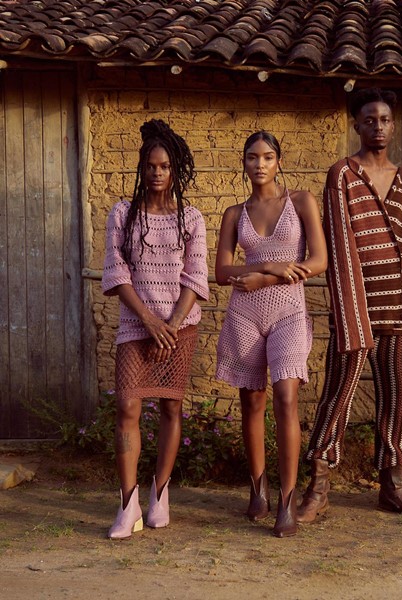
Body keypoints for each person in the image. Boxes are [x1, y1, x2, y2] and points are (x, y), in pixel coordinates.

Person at [297, 88, 402, 523]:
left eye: (385, 120)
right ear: (356, 125)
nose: (378, 127)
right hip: (355, 308)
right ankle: (318, 487)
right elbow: (339, 244)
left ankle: (391, 486)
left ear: (393, 126)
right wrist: (351, 313)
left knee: (396, 393)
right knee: (338, 394)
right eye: (370, 119)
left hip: (396, 306)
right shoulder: (342, 174)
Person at [215, 131, 327, 537]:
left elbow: (319, 260)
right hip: (245, 313)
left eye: (267, 157)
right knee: (252, 400)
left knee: (286, 396)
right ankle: (257, 488)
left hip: (289, 311)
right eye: (251, 157)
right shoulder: (234, 213)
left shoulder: (300, 202)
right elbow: (222, 272)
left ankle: (287, 500)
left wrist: (271, 275)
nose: (259, 164)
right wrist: (267, 270)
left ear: (279, 161)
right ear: (242, 163)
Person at [102, 119, 209, 539]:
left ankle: (159, 494)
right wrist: (149, 321)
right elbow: (116, 271)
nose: (157, 173)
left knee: (170, 408)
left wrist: (172, 324)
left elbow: (196, 278)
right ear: (141, 168)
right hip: (136, 324)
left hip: (179, 327)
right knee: (127, 407)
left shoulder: (191, 218)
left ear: (175, 168)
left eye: (164, 166)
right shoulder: (123, 214)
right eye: (150, 165)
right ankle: (127, 505)